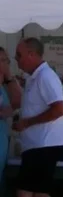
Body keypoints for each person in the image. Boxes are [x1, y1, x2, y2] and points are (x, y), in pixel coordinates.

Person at [13, 38, 63, 197]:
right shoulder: (34, 78)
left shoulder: (46, 76)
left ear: (31, 54)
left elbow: (60, 108)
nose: (16, 59)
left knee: (27, 192)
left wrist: (27, 123)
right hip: (36, 146)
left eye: (19, 55)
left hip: (44, 145)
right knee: (36, 191)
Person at [0, 48, 20, 189]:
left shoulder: (4, 86)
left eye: (7, 60)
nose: (6, 63)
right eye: (3, 60)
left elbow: (17, 101)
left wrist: (9, 77)